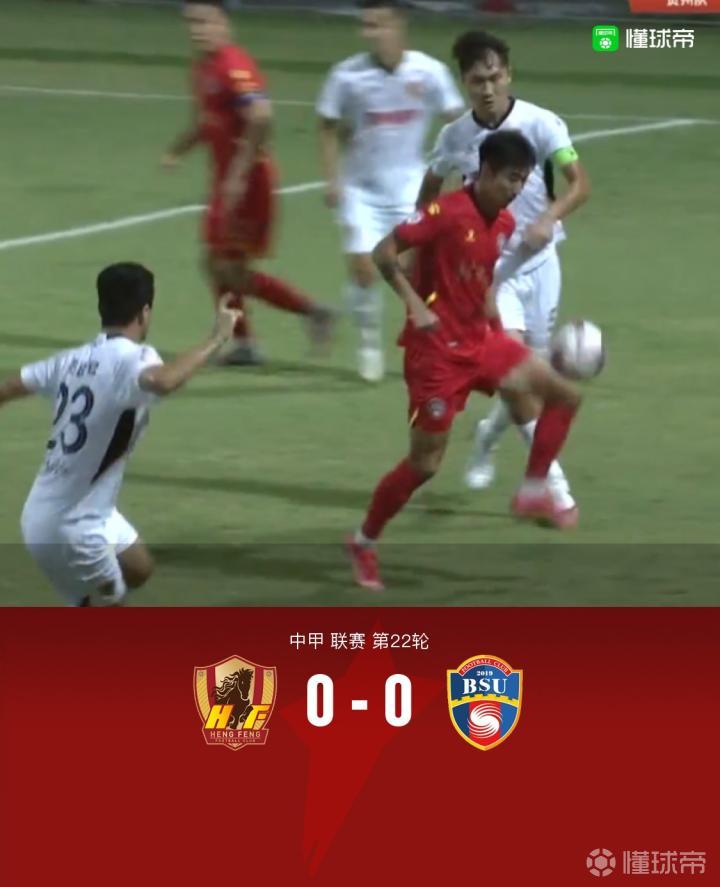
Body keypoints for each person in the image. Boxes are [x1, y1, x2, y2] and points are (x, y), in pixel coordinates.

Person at [346, 131, 582, 591]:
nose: (516, 189)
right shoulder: (446, 213)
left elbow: (480, 280)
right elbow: (383, 252)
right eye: (511, 178)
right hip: (435, 355)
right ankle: (363, 541)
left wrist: (495, 324)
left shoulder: (504, 222)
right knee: (425, 465)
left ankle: (533, 490)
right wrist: (415, 305)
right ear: (487, 171)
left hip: (481, 342)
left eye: (523, 180)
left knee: (564, 395)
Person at [417, 30, 590, 514]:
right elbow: (429, 192)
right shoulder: (455, 136)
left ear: (508, 74)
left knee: (527, 379)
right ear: (465, 83)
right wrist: (428, 245)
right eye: (477, 81)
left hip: (543, 263)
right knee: (515, 378)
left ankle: (486, 439)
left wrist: (549, 218)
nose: (488, 89)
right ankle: (554, 488)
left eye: (494, 77)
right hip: (492, 273)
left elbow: (579, 184)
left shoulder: (542, 123)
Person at [0, 263, 241, 606]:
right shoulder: (135, 358)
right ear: (144, 312)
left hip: (52, 511)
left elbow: (7, 387)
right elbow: (162, 380)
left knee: (138, 568)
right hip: (76, 528)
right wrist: (217, 337)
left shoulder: (69, 361)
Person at [163, 0, 334, 365]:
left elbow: (261, 116)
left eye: (205, 21)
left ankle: (309, 312)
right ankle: (245, 342)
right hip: (228, 183)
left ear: (225, 24)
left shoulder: (234, 66)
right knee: (216, 263)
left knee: (227, 269)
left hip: (249, 184)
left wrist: (239, 173)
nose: (197, 29)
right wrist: (178, 150)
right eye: (192, 22)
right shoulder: (202, 67)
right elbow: (207, 122)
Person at [317, 0, 464, 382]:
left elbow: (458, 121)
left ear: (399, 25)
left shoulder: (429, 72)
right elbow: (327, 124)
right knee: (366, 269)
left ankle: (434, 346)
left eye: (379, 25)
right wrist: (332, 178)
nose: (371, 33)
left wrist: (455, 173)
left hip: (409, 187)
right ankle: (369, 342)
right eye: (366, 25)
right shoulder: (347, 76)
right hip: (359, 188)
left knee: (414, 271)